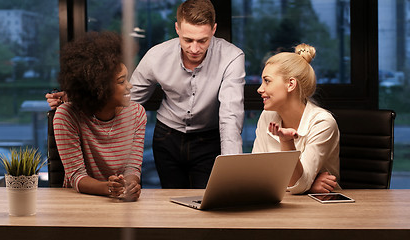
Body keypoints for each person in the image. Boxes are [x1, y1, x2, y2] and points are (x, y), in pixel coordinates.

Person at [47, 0, 245, 189]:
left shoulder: (231, 57)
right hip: (167, 138)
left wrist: (232, 170)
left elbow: (230, 116)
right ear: (177, 29)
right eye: (188, 39)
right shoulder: (156, 55)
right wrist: (80, 95)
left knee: (207, 201)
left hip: (208, 139)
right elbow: (123, 94)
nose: (194, 48)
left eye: (203, 40)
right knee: (172, 203)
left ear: (214, 30)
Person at [53, 31, 147, 201]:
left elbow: (133, 168)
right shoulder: (66, 116)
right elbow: (76, 176)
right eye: (121, 81)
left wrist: (129, 185)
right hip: (78, 203)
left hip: (120, 204)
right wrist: (109, 188)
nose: (130, 86)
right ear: (99, 88)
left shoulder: (137, 114)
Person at [252, 43, 339, 194]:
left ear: (291, 84)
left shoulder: (323, 123)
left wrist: (287, 142)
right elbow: (256, 175)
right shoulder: (267, 116)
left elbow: (298, 185)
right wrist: (309, 186)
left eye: (267, 81)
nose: (260, 89)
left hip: (321, 208)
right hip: (278, 204)